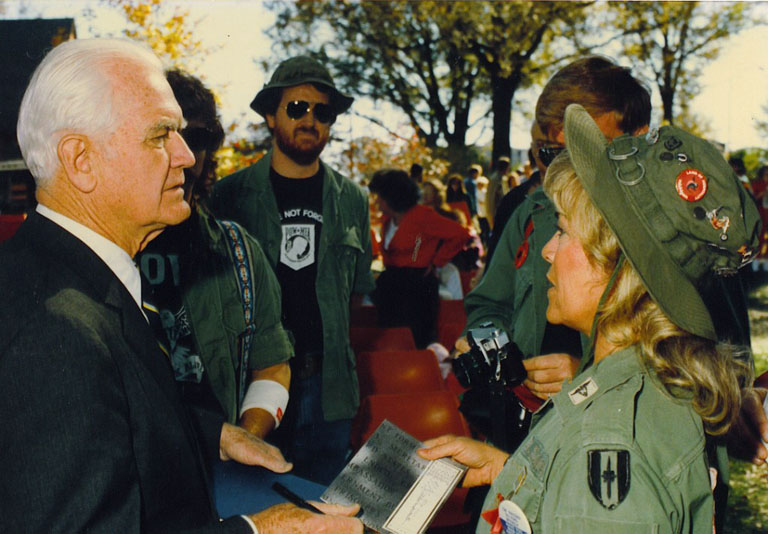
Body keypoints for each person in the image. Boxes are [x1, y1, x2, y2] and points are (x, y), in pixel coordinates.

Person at [0, 38, 362, 533]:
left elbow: (113, 409)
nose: (187, 156)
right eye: (160, 134)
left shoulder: (66, 276)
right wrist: (263, 530)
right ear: (80, 160)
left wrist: (214, 432)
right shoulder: (55, 331)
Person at [422, 104, 761, 534]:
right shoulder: (653, 387)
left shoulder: (605, 442)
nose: (548, 249)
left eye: (563, 230)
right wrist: (508, 469)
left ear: (618, 267)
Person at [211, 55, 375, 485]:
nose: (310, 120)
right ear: (270, 115)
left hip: (329, 389)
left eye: (322, 112)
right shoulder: (228, 197)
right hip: (251, 389)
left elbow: (355, 294)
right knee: (257, 505)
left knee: (326, 507)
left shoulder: (353, 200)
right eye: (297, 108)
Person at [139, 68, 293, 438]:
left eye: (197, 138)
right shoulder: (103, 251)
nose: (185, 156)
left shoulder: (240, 253)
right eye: (163, 136)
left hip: (218, 468)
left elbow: (272, 366)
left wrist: (246, 438)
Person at [369, 169, 469, 348]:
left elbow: (460, 234)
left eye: (380, 197)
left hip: (417, 287)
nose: (376, 201)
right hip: (392, 285)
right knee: (390, 340)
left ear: (391, 197)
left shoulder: (422, 215)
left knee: (416, 341)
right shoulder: (387, 220)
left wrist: (437, 261)